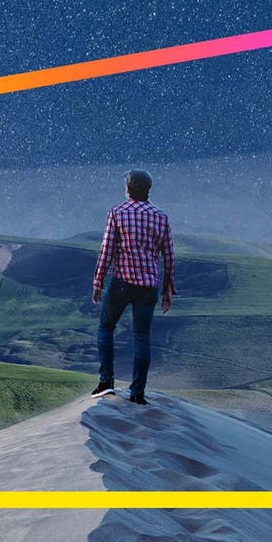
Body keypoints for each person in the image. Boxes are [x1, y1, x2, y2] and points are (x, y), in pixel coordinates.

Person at [90, 169, 175, 405]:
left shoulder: (117, 213)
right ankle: (138, 392)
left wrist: (98, 281)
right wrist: (168, 288)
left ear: (128, 188)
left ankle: (106, 382)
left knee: (106, 328)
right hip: (148, 287)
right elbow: (168, 256)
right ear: (148, 190)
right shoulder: (161, 217)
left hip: (121, 282)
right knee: (142, 337)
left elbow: (107, 250)